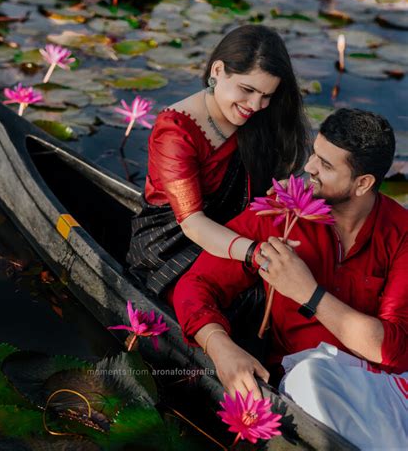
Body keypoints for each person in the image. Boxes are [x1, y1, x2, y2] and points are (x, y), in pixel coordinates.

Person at [173, 108, 408, 450]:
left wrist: (309, 294)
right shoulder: (282, 212)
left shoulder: (401, 232)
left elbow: (395, 348)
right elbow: (195, 285)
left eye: (326, 165)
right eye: (315, 153)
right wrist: (221, 349)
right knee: (310, 378)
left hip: (384, 389)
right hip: (307, 387)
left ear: (363, 183)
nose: (309, 167)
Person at [127, 24, 309, 296]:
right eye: (247, 89)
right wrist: (254, 253)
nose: (256, 105)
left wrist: (283, 188)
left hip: (237, 229)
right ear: (217, 71)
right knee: (249, 298)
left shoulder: (257, 117)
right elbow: (192, 223)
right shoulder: (176, 130)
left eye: (266, 96)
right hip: (172, 244)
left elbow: (274, 177)